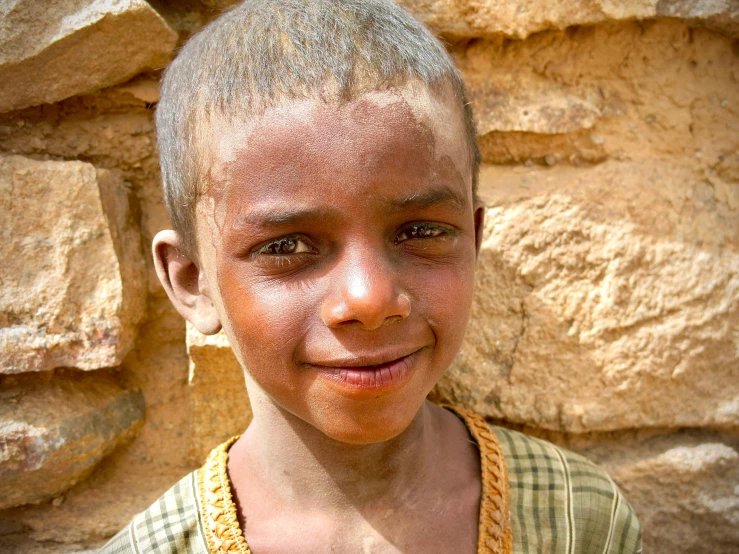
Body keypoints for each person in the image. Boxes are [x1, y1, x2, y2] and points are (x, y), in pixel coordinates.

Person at [99, 1, 641, 552]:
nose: (370, 298)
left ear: (474, 240)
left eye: (420, 232)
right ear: (192, 281)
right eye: (286, 246)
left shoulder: (581, 519)